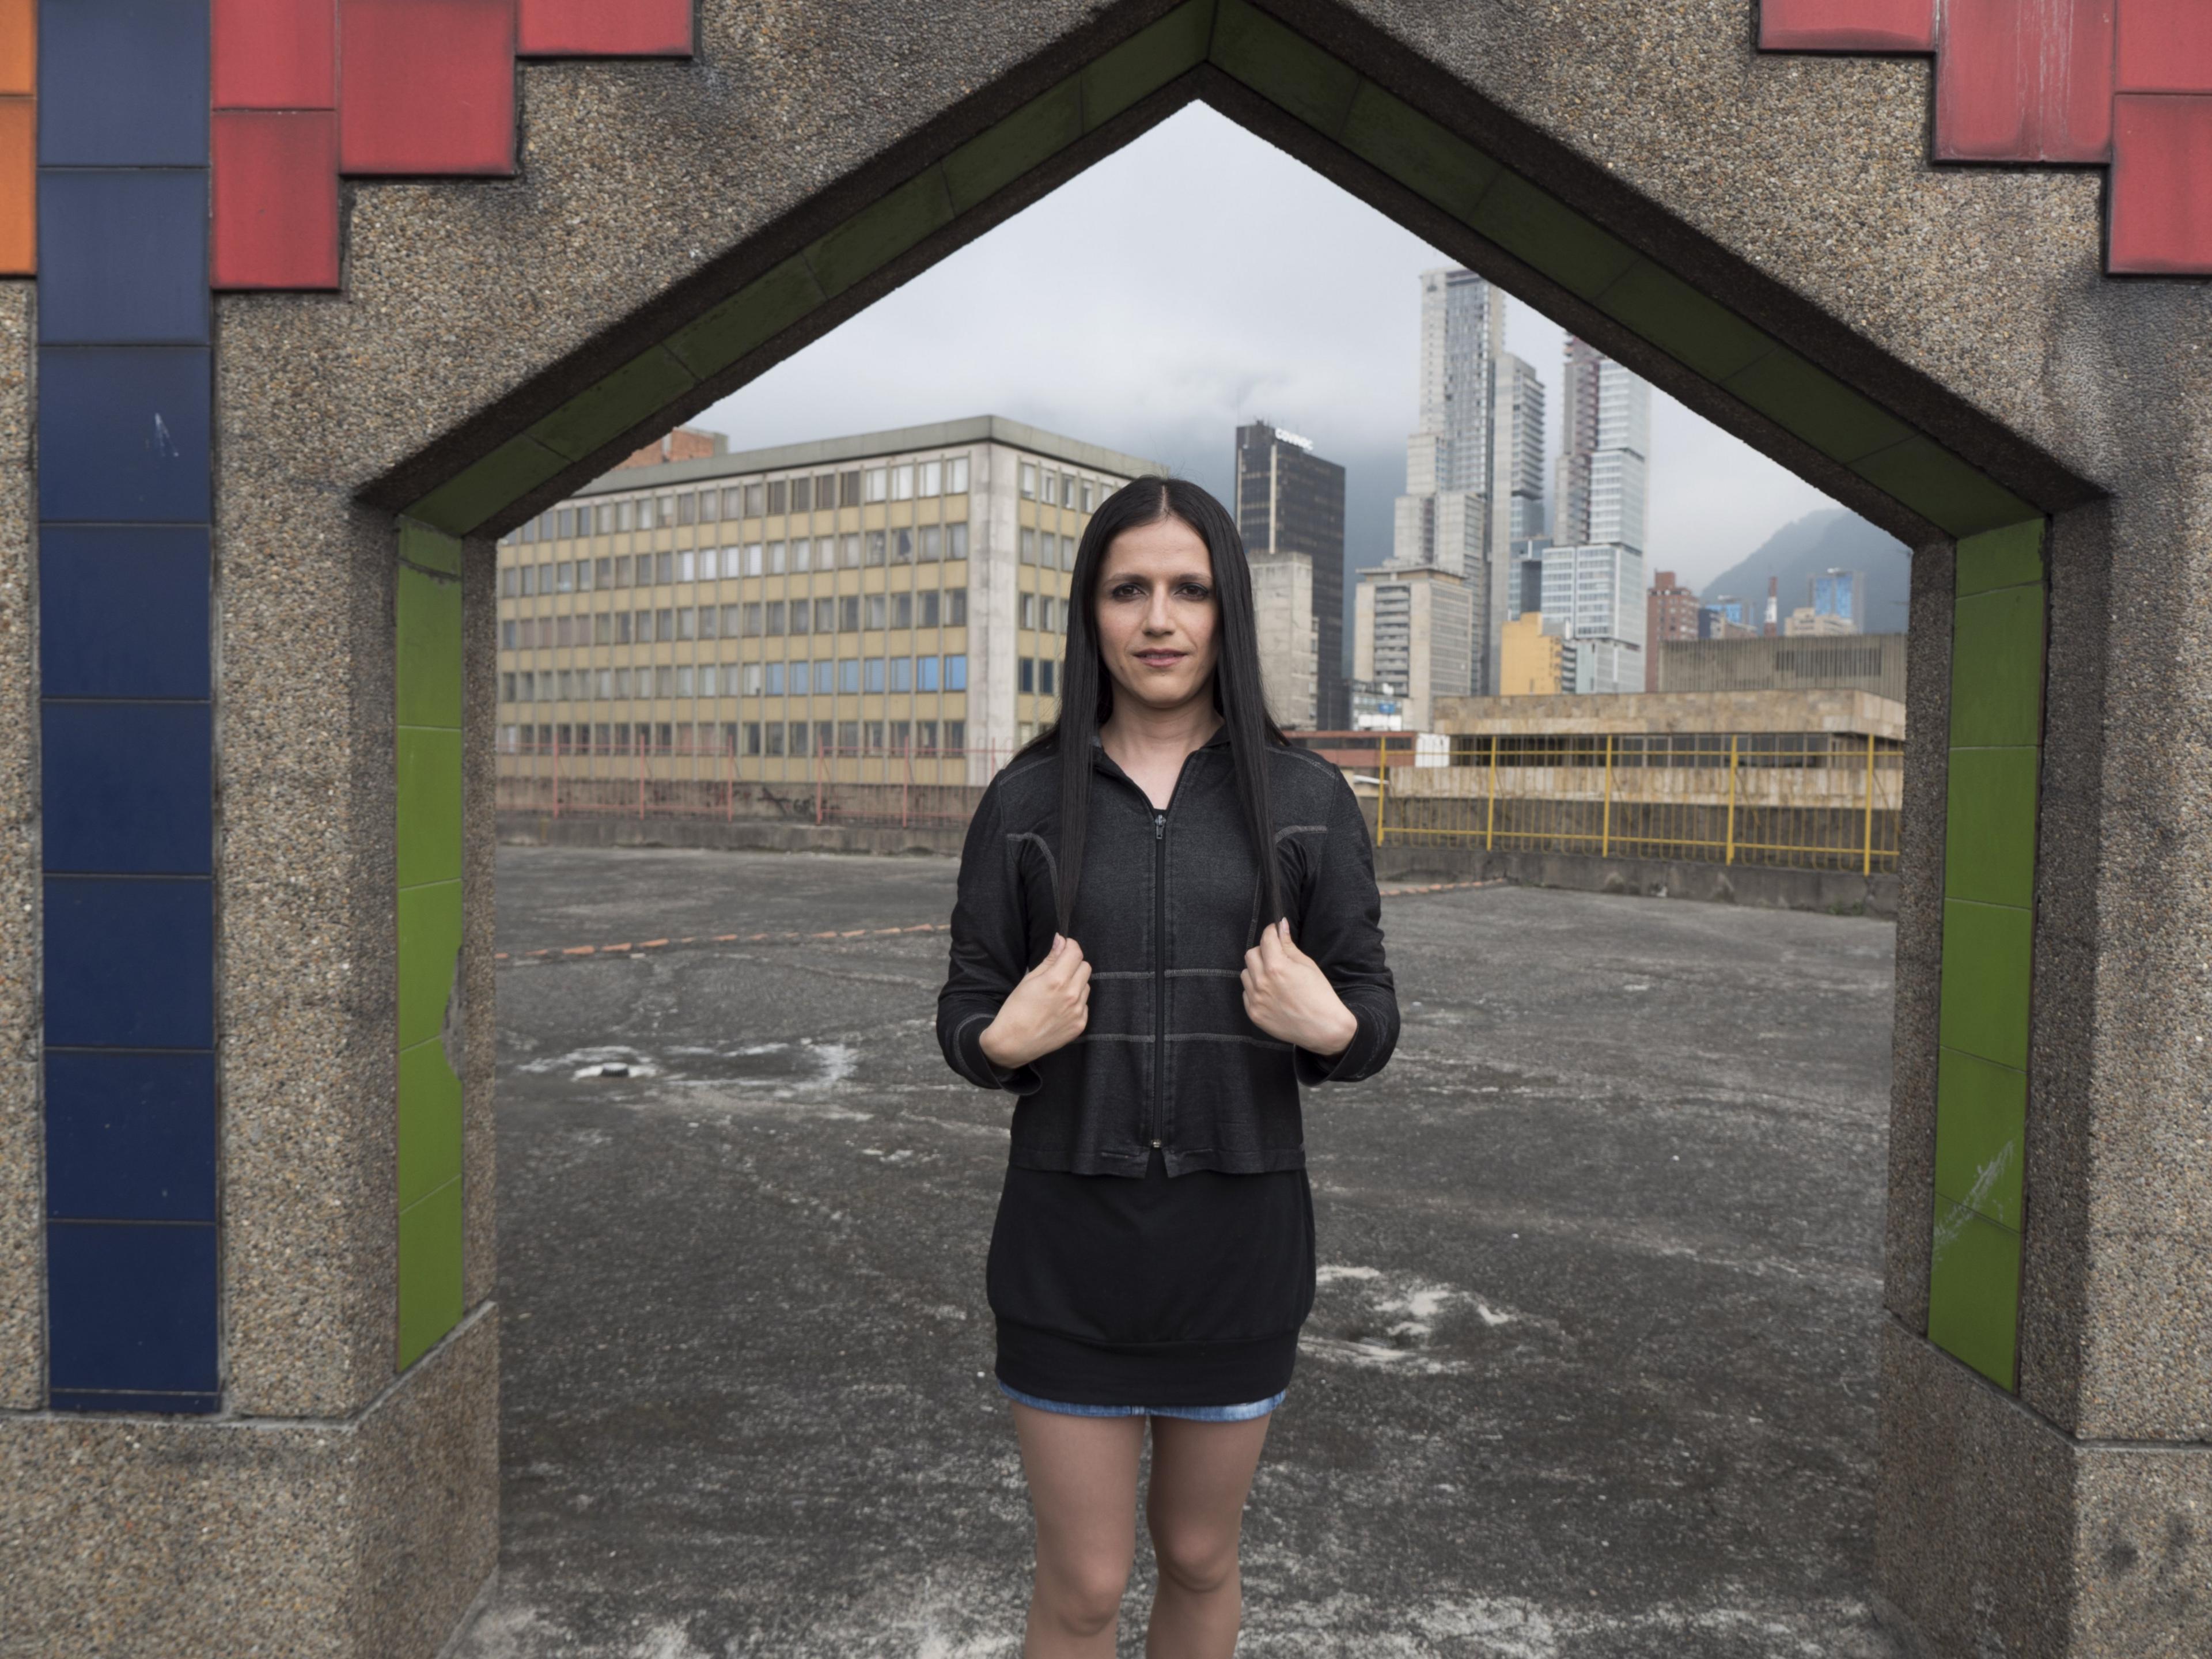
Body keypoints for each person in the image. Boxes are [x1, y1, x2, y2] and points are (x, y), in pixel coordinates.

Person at [937, 476, 1399, 1657]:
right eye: (1127, 589)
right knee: (1085, 1583)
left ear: (1226, 614)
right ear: (1091, 615)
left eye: (1188, 589)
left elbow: (1375, 1013)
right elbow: (966, 1008)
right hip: (1066, 1246)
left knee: (1199, 1558)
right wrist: (1000, 1043)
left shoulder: (1304, 799)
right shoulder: (1027, 801)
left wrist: (1329, 1027)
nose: (1158, 618)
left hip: (1236, 1240)